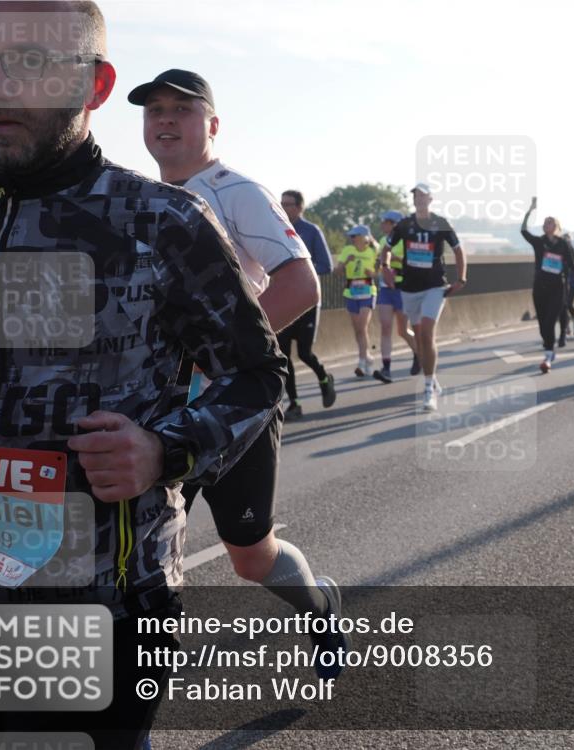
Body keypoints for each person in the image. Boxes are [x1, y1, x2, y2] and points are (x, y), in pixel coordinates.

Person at [0, 5, 342, 748]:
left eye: (31, 64)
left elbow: (257, 376)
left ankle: (315, 604)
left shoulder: (164, 220)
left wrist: (165, 449)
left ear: (94, 85)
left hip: (94, 601)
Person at [131, 69, 348, 677]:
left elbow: (301, 282)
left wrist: (220, 360)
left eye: (182, 109)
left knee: (250, 558)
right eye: (154, 111)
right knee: (142, 549)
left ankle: (318, 604)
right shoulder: (145, 199)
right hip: (159, 410)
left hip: (231, 408)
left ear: (213, 124)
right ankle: (133, 701)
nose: (166, 120)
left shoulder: (236, 190)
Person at [382, 183, 466, 411]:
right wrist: (385, 267)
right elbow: (387, 248)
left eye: (423, 195)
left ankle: (428, 389)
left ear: (431, 199)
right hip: (409, 288)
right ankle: (433, 376)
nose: (419, 199)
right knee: (418, 337)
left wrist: (461, 278)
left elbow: (458, 249)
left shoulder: (440, 223)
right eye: (415, 195)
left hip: (435, 287)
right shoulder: (404, 224)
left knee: (427, 333)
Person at [279, 190, 337, 419]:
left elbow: (326, 265)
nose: (284, 208)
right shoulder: (275, 229)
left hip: (307, 302)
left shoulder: (311, 231)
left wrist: (302, 274)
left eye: (289, 204)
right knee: (283, 356)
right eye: (281, 203)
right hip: (283, 301)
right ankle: (295, 403)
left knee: (304, 353)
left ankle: (324, 378)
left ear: (300, 207)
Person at [520, 197, 574, 373]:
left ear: (556, 226)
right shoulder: (539, 242)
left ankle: (548, 354)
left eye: (550, 222)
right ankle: (549, 346)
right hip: (540, 287)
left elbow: (572, 262)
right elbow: (523, 231)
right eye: (545, 222)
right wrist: (530, 211)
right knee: (542, 323)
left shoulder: (563, 243)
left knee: (549, 321)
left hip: (558, 287)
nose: (546, 224)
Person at [373, 210, 419, 384]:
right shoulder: (384, 241)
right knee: (385, 327)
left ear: (395, 224)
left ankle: (418, 354)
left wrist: (395, 260)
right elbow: (383, 262)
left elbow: (411, 262)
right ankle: (386, 368)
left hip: (402, 287)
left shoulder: (407, 240)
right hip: (386, 288)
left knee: (402, 330)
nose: (382, 225)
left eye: (385, 222)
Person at [335, 225, 379, 376]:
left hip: (368, 291)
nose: (352, 239)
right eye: (351, 237)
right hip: (351, 292)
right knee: (358, 329)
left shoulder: (373, 251)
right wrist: (346, 262)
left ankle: (361, 361)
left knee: (362, 325)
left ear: (364, 237)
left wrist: (372, 273)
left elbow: (382, 268)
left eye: (355, 236)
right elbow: (337, 271)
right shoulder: (348, 250)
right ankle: (367, 357)